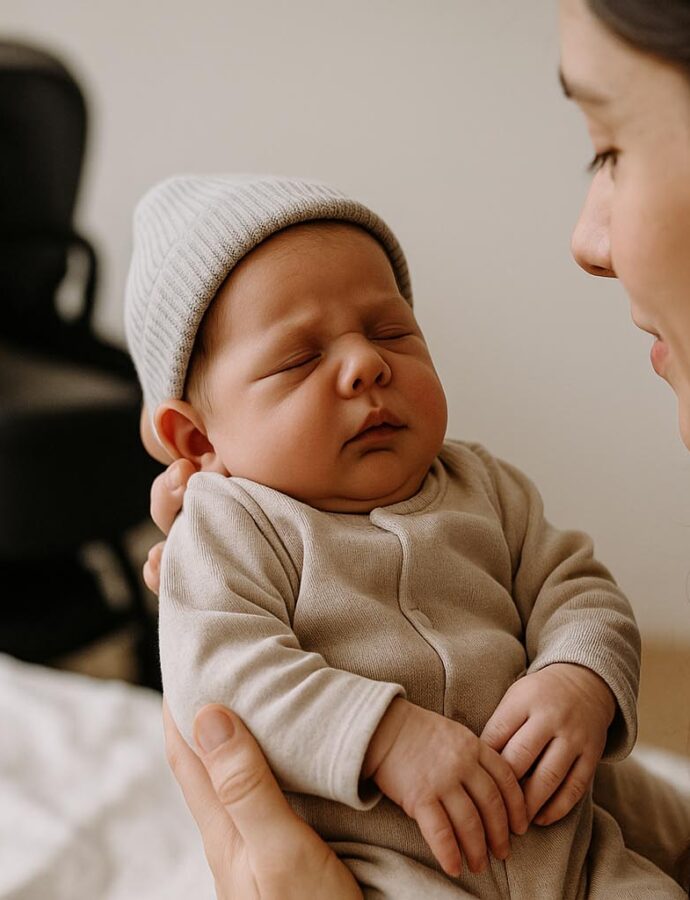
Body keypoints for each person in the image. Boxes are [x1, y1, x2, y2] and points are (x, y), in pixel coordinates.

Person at [143, 0, 690, 895]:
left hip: (569, 844)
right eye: (301, 358)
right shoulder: (230, 529)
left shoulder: (485, 486)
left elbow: (578, 589)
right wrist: (385, 736)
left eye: (391, 333)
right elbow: (222, 673)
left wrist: (578, 677)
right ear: (197, 437)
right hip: (391, 861)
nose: (364, 366)